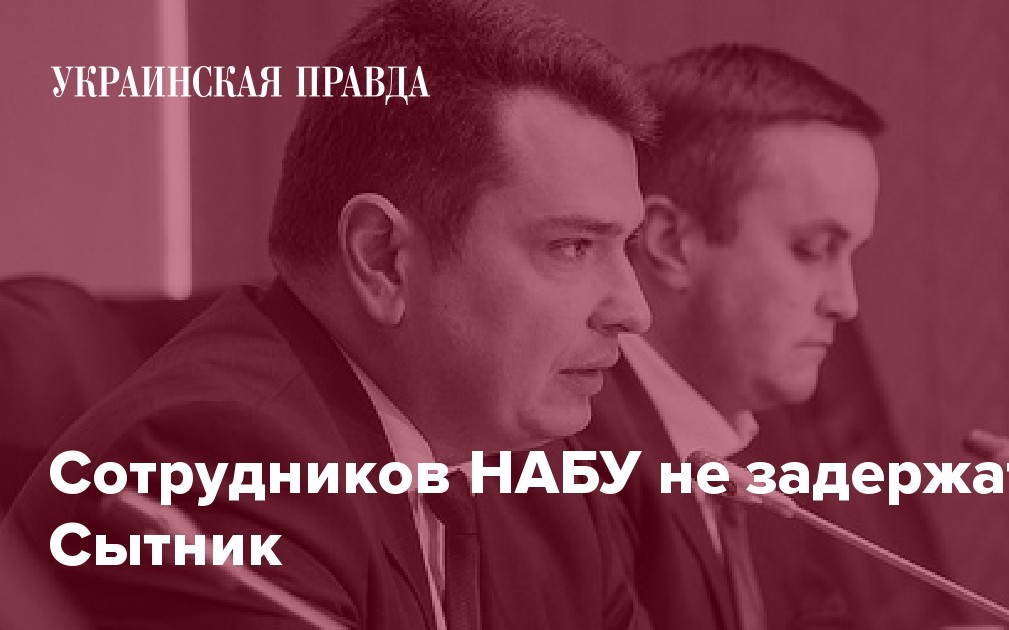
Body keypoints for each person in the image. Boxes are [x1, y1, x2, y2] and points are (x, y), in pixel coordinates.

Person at [1, 0, 655, 628]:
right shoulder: (211, 467)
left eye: (624, 246)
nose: (632, 311)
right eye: (573, 247)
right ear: (382, 258)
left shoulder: (541, 482)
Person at [579, 44, 957, 629]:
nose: (845, 302)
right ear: (671, 243)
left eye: (851, 255)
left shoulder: (764, 441)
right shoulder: (567, 452)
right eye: (812, 250)